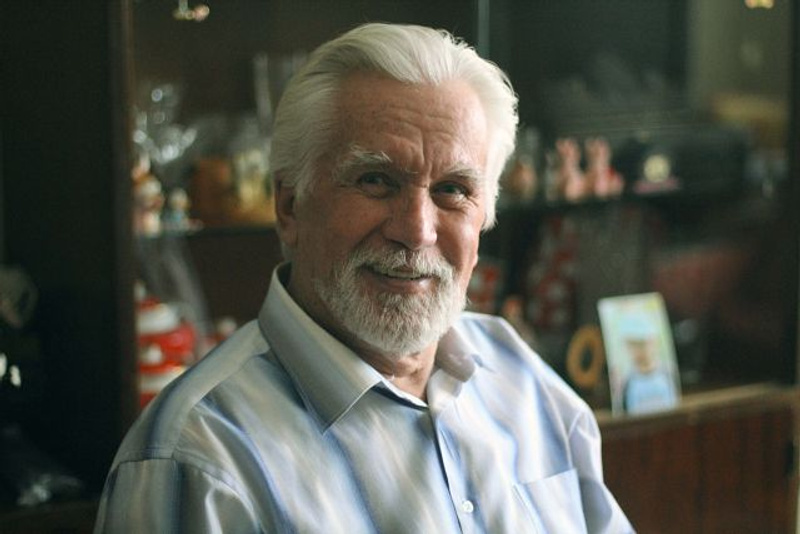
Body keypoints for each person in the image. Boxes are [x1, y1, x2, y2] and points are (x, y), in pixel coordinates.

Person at [95, 23, 632, 533]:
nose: (417, 231)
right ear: (290, 205)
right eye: (376, 180)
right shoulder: (197, 460)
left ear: (485, 215)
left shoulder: (525, 382)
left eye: (452, 189)